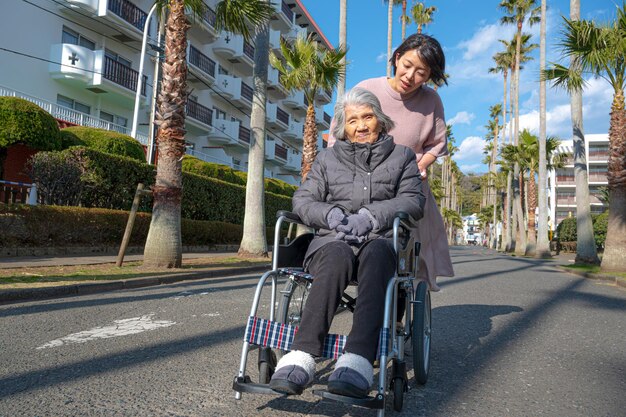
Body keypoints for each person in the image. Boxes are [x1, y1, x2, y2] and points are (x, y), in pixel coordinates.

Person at [269, 87, 425, 398]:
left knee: (379, 253)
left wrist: (369, 216)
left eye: (368, 117)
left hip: (379, 238)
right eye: (353, 120)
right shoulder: (327, 159)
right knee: (338, 253)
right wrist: (330, 215)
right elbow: (302, 200)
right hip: (332, 240)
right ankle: (301, 356)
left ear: (380, 120)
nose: (362, 125)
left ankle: (357, 361)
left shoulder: (402, 157)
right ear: (343, 127)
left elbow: (413, 201)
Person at [328, 33, 454, 291]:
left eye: (421, 72)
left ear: (429, 76)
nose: (410, 76)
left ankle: (396, 310)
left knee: (402, 259)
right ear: (397, 58)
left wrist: (421, 165)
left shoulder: (431, 101)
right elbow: (336, 135)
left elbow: (437, 145)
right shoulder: (366, 89)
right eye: (407, 66)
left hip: (405, 188)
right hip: (357, 183)